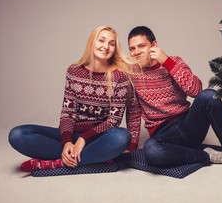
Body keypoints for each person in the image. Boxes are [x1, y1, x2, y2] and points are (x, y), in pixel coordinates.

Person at [9, 26, 140, 172]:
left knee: (122, 137)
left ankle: (57, 163)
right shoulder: (74, 71)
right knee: (18, 135)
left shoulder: (119, 77)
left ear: (115, 48)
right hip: (70, 135)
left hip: (98, 137)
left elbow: (113, 120)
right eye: (101, 40)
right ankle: (95, 157)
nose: (106, 47)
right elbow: (68, 113)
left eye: (111, 43)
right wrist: (66, 143)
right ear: (92, 42)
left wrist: (83, 139)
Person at [127, 26, 222, 167]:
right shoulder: (132, 75)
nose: (136, 52)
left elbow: (196, 90)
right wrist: (132, 148)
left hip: (188, 124)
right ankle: (208, 156)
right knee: (150, 150)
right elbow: (134, 111)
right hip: (163, 135)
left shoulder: (174, 61)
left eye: (141, 46)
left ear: (154, 45)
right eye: (132, 48)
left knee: (210, 95)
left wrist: (167, 62)